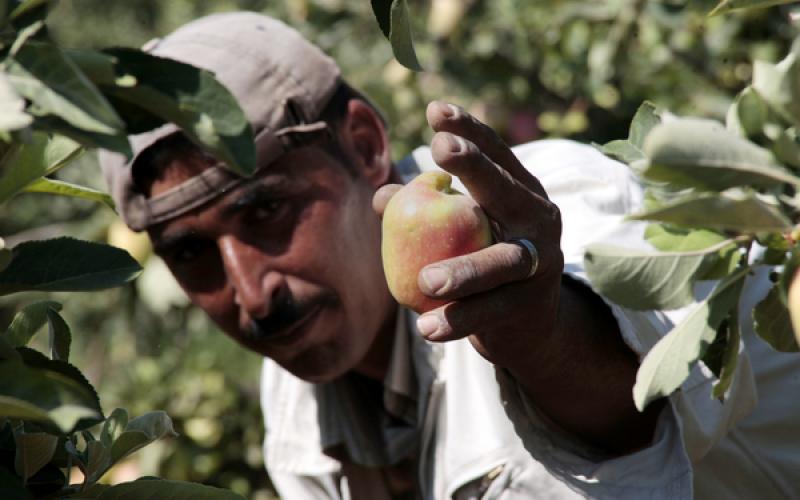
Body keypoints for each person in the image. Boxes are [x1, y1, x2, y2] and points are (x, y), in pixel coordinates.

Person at [100, 11, 800, 500]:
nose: (251, 295)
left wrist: (544, 339)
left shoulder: (541, 206)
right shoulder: (296, 417)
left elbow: (644, 398)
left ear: (368, 146)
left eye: (266, 211)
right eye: (190, 252)